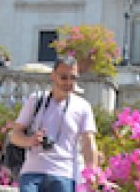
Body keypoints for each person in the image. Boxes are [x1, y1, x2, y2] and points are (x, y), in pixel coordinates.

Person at [10, 57, 98, 191]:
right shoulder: (36, 100)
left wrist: (92, 174)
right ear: (53, 76)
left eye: (73, 78)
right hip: (33, 171)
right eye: (63, 77)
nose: (68, 82)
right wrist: (30, 141)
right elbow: (15, 134)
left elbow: (88, 142)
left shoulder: (83, 106)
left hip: (65, 173)